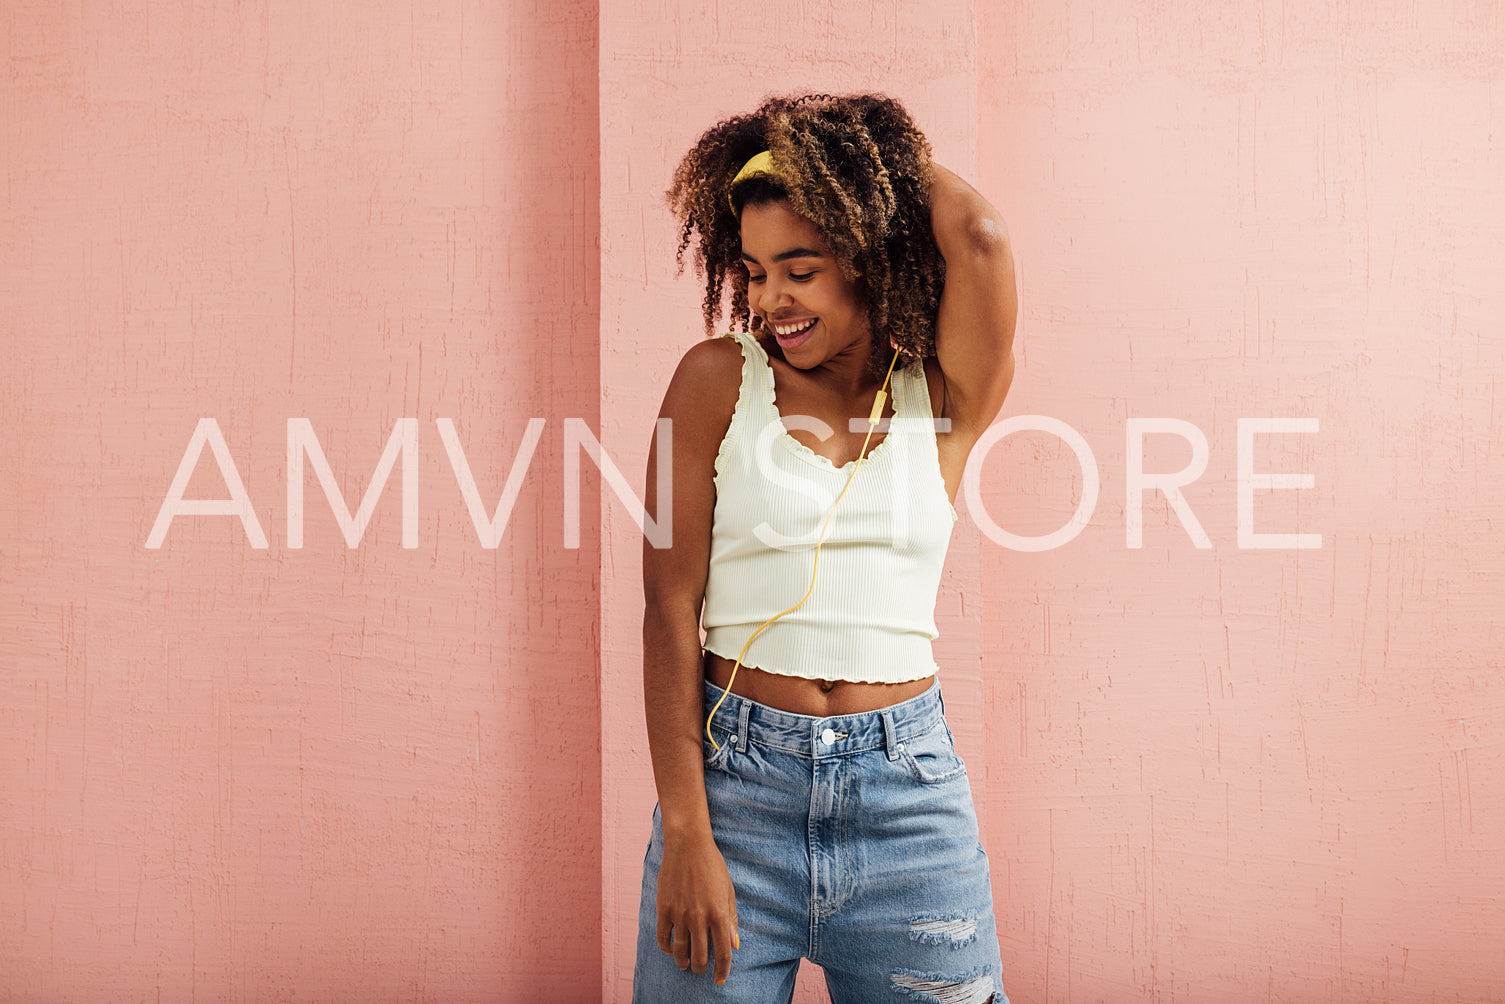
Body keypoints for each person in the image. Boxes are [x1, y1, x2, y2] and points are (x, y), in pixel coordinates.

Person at [632, 93, 1018, 1004]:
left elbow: (985, 236)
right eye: (756, 272)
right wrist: (687, 827)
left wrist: (863, 166)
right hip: (737, 790)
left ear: (867, 259)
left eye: (798, 269)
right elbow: (666, 606)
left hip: (908, 794)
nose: (769, 299)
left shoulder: (942, 398)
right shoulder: (713, 379)